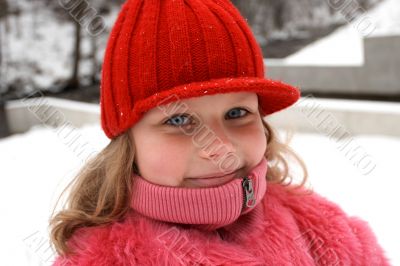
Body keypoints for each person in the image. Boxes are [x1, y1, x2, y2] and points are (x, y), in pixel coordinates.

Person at [50, 0, 390, 265]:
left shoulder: (326, 232)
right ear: (127, 142)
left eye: (237, 113)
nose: (219, 147)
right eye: (179, 120)